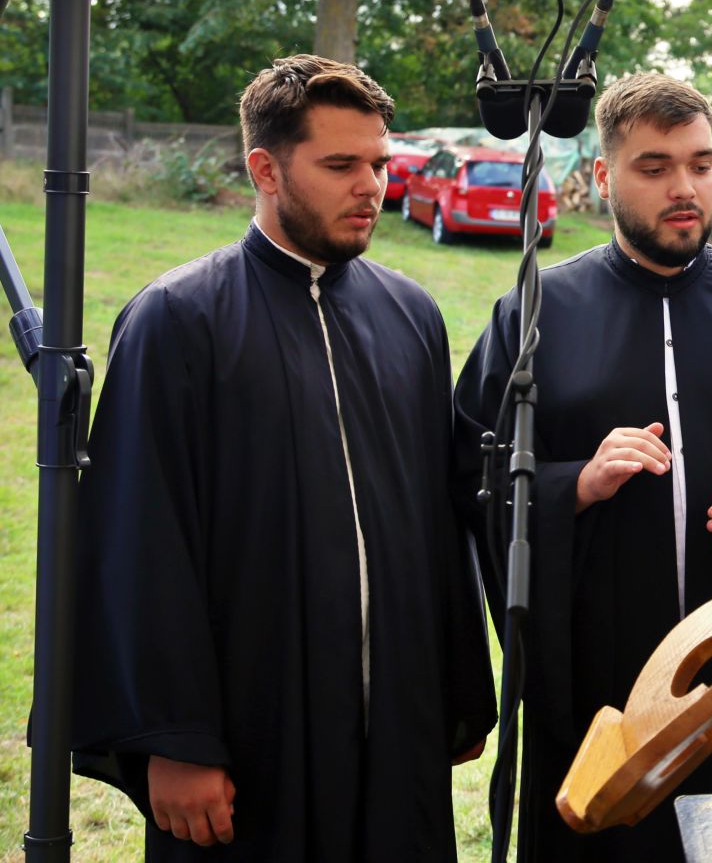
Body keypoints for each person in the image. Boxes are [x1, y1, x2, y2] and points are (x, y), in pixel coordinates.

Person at [69, 55, 497, 860]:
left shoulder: (412, 315)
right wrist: (176, 740)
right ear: (265, 169)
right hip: (252, 732)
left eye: (379, 163)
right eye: (340, 166)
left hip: (397, 720)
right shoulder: (176, 320)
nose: (371, 186)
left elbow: (436, 525)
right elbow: (140, 542)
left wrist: (457, 691)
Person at [453, 73, 712, 861]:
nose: (685, 188)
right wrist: (575, 484)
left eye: (701, 164)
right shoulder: (537, 312)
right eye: (655, 167)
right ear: (604, 176)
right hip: (598, 695)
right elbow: (469, 477)